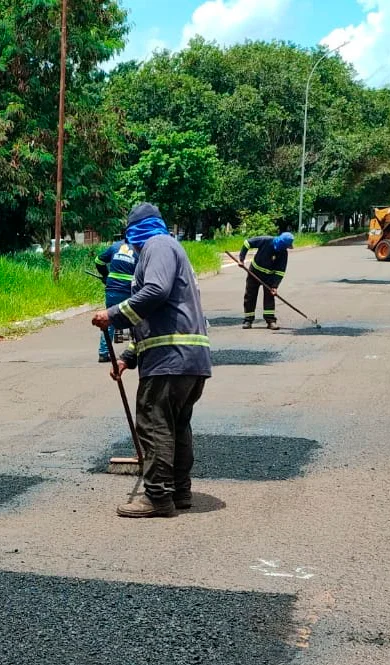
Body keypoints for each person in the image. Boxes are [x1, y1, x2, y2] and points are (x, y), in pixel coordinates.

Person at [92, 203, 212, 518]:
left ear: (134, 233)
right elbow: (160, 315)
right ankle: (180, 491)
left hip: (170, 359)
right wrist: (128, 357)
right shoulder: (171, 249)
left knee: (155, 424)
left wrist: (113, 314)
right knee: (176, 425)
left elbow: (156, 292)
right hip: (189, 359)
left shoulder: (157, 246)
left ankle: (158, 496)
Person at [238, 231, 294, 330]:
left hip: (269, 277)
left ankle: (270, 321)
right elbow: (247, 243)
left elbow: (280, 271)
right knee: (250, 296)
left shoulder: (283, 253)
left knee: (269, 297)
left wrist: (275, 286)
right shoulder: (265, 240)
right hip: (254, 273)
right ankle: (248, 320)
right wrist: (241, 259)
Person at [94, 239, 137, 362]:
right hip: (129, 290)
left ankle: (104, 352)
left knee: (110, 319)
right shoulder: (138, 249)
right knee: (135, 319)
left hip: (112, 289)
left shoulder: (115, 247)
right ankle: (135, 351)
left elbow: (98, 261)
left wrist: (106, 275)